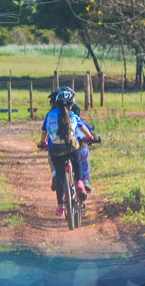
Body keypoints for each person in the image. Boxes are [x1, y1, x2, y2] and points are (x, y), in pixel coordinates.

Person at [37, 87, 88, 218]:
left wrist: (43, 142)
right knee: (77, 162)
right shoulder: (73, 115)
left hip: (55, 150)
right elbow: (83, 128)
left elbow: (44, 131)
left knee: (60, 177)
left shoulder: (50, 115)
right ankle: (80, 183)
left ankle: (60, 205)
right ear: (72, 105)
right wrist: (91, 137)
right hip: (70, 148)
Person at [70, 103, 97, 193]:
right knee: (84, 162)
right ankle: (85, 181)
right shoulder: (81, 123)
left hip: (69, 150)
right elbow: (92, 134)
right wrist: (95, 139)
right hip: (82, 149)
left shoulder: (64, 122)